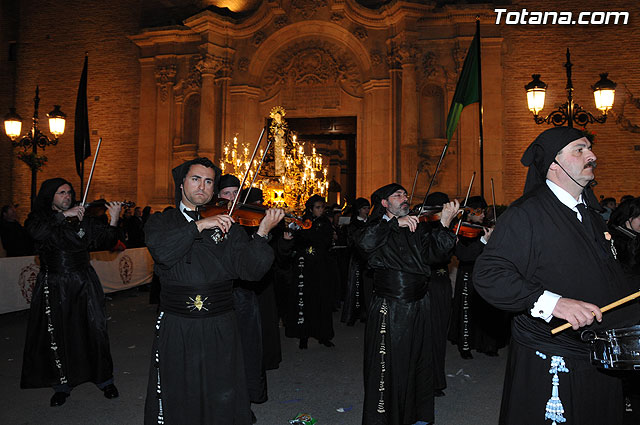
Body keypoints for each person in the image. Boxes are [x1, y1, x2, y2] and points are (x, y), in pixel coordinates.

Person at [473, 127, 640, 425]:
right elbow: (489, 274)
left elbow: (610, 276)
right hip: (555, 356)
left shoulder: (589, 212)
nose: (592, 155)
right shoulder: (527, 213)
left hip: (599, 353)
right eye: (579, 149)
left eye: (589, 148)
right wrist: (554, 303)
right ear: (554, 162)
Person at [143, 158, 284, 425]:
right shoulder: (162, 221)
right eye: (195, 179)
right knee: (178, 387)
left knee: (222, 388)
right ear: (181, 183)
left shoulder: (228, 224)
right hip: (178, 322)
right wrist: (198, 226)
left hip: (221, 321)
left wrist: (263, 232)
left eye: (209, 181)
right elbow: (162, 252)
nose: (202, 186)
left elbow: (250, 271)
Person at [355, 183, 458, 425]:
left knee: (419, 362)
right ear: (384, 203)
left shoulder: (418, 227)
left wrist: (444, 223)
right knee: (388, 366)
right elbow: (365, 244)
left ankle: (414, 416)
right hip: (390, 307)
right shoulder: (373, 227)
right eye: (397, 195)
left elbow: (437, 255)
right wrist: (392, 224)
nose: (404, 198)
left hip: (420, 305)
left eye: (405, 194)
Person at [20, 178, 122, 407]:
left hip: (83, 281)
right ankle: (61, 385)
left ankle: (105, 380)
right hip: (53, 283)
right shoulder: (40, 218)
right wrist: (64, 216)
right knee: (58, 332)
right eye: (61, 193)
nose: (67, 196)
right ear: (50, 197)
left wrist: (114, 218)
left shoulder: (83, 218)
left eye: (69, 192)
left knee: (95, 329)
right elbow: (37, 233)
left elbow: (106, 241)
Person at [219, 174, 268, 423]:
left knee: (245, 352)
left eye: (235, 192)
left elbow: (259, 262)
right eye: (226, 193)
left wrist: (266, 233)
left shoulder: (247, 220)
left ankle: (244, 401)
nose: (231, 198)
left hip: (243, 295)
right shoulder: (209, 220)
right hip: (218, 296)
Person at [449, 196, 508, 359]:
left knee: (488, 310)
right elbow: (463, 254)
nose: (483, 215)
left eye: (484, 211)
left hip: (486, 275)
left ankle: (488, 344)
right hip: (468, 274)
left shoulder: (486, 229)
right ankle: (465, 345)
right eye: (479, 212)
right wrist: (483, 240)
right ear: (469, 213)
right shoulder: (461, 230)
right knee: (466, 310)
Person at [285, 194, 336, 349]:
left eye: (322, 207)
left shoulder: (326, 223)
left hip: (320, 266)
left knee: (322, 299)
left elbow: (325, 242)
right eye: (318, 207)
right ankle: (303, 335)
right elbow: (296, 242)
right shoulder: (301, 222)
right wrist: (299, 230)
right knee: (304, 299)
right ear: (311, 209)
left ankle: (323, 335)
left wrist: (310, 234)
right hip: (304, 266)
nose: (321, 210)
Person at [421, 192, 456, 396]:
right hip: (427, 284)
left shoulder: (449, 224)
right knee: (427, 335)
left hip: (442, 284)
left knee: (439, 334)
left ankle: (436, 379)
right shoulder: (424, 225)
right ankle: (425, 380)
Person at [341, 197, 371, 325]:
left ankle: (366, 313)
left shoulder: (371, 222)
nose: (367, 211)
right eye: (365, 208)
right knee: (355, 285)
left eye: (368, 208)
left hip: (368, 259)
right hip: (357, 259)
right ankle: (353, 314)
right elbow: (350, 242)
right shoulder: (353, 224)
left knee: (368, 287)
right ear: (359, 210)